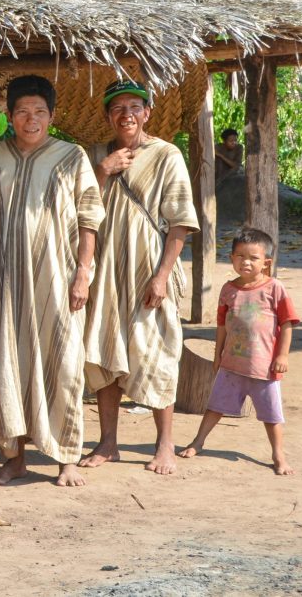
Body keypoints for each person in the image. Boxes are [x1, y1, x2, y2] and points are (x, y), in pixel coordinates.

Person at [0, 75, 104, 487]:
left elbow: (89, 218)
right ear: (9, 116)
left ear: (52, 116)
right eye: (22, 112)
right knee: (9, 364)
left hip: (58, 281)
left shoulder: (71, 156)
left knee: (62, 363)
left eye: (39, 112)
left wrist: (83, 273)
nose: (31, 120)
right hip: (5, 282)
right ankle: (14, 456)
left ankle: (66, 456)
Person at [81, 80, 199, 476]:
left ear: (147, 112)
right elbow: (75, 208)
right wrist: (102, 170)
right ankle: (108, 442)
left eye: (135, 106)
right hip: (105, 268)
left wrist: (162, 276)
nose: (126, 114)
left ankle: (165, 444)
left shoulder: (167, 155)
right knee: (104, 351)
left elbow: (180, 222)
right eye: (117, 108)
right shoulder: (96, 155)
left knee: (156, 350)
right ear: (107, 116)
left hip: (149, 266)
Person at [179, 228, 298, 475]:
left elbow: (287, 323)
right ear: (232, 258)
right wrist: (217, 355)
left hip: (263, 367)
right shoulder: (228, 289)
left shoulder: (274, 288)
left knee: (271, 415)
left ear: (266, 263)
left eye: (253, 258)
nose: (246, 262)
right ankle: (198, 442)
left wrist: (282, 356)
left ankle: (278, 454)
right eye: (240, 256)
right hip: (232, 365)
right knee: (215, 406)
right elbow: (222, 326)